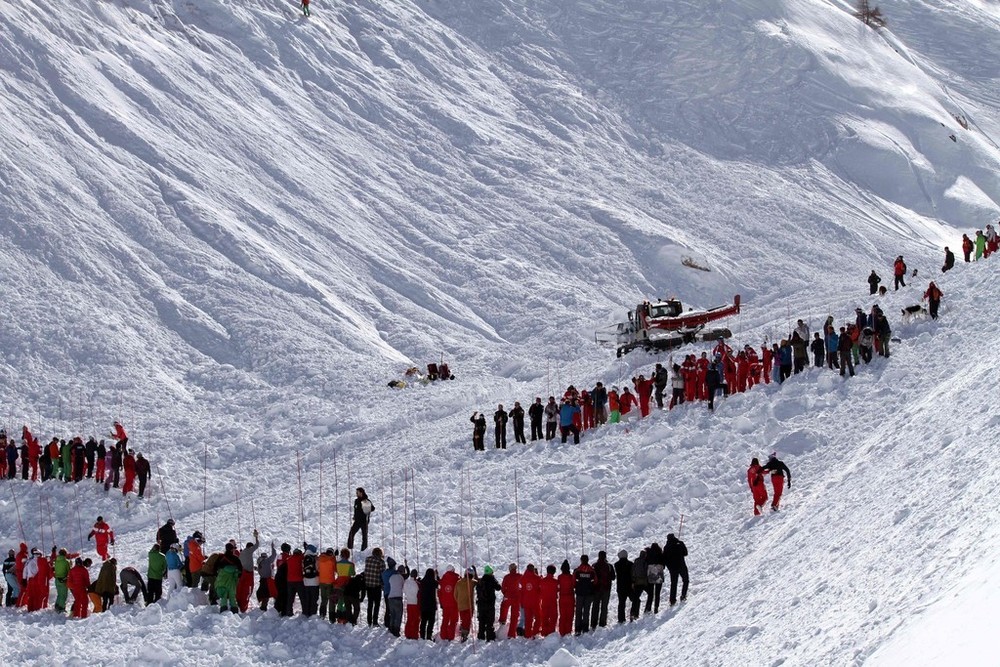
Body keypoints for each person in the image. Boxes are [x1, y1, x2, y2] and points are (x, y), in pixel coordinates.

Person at [215, 543, 243, 613]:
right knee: (232, 596)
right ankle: (234, 611)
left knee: (224, 596)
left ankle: (223, 610)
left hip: (222, 579)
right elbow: (240, 570)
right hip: (232, 580)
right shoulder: (236, 558)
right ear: (232, 549)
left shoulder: (221, 557)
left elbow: (216, 568)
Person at [591, 550, 615, 628]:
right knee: (604, 607)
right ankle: (602, 623)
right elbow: (613, 577)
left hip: (596, 589)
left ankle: (593, 623)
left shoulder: (594, 565)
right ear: (605, 556)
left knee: (595, 606)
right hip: (606, 589)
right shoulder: (609, 566)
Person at [237, 530, 260, 612]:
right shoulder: (249, 551)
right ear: (250, 547)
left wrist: (254, 567)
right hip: (248, 574)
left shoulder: (242, 553)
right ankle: (244, 606)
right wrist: (256, 537)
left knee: (240, 589)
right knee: (248, 590)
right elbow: (257, 545)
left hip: (242, 573)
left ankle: (239, 603)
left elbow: (244, 563)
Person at [663, 534, 689, 605]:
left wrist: (669, 567)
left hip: (672, 569)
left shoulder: (666, 547)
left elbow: (664, 559)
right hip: (681, 566)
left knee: (674, 584)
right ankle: (683, 595)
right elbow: (685, 553)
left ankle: (672, 600)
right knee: (685, 580)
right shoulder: (680, 543)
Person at [573, 555, 596, 635]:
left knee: (578, 611)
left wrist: (577, 587)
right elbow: (595, 581)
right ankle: (585, 628)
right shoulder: (592, 570)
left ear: (581, 560)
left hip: (579, 594)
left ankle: (577, 629)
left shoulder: (577, 570)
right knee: (586, 611)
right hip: (589, 593)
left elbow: (573, 582)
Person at [363, 548, 385, 626]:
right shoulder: (381, 562)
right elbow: (383, 575)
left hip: (368, 585)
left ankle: (369, 621)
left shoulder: (367, 559)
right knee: (377, 604)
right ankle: (375, 621)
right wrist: (383, 585)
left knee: (370, 603)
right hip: (376, 585)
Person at [498, 563, 521, 638]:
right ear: (516, 568)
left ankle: (502, 621)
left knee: (504, 608)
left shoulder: (506, 577)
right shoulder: (519, 576)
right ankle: (511, 634)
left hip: (508, 596)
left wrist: (505, 594)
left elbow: (503, 588)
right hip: (516, 598)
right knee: (514, 616)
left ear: (510, 569)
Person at [438, 565, 460, 640]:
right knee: (453, 620)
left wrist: (441, 603)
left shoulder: (442, 579)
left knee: (445, 620)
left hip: (445, 604)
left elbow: (439, 592)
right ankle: (451, 636)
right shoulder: (457, 578)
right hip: (454, 603)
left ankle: (443, 636)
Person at [454, 567, 476, 641]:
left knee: (463, 619)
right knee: (468, 620)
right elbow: (478, 581)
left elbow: (455, 595)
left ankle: (463, 629)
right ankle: (464, 634)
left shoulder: (458, 582)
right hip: (469, 606)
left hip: (460, 606)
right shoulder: (472, 583)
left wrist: (459, 601)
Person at [256, 542, 277, 611]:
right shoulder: (268, 561)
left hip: (262, 580)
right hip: (268, 580)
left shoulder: (259, 563)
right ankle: (277, 605)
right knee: (273, 592)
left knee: (265, 594)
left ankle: (263, 606)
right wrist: (272, 547)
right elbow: (274, 555)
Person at [417, 568, 438, 640]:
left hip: (424, 605)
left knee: (423, 621)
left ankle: (422, 635)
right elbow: (439, 584)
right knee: (431, 622)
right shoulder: (434, 582)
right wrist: (437, 576)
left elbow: (419, 582)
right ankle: (429, 635)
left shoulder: (422, 581)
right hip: (431, 605)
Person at [386, 564, 406, 637]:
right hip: (398, 597)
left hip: (390, 597)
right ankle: (396, 630)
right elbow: (403, 587)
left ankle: (391, 628)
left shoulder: (392, 577)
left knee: (392, 614)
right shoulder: (401, 578)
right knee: (398, 615)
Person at [613, 550, 633, 623]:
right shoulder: (631, 564)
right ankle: (633, 614)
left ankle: (621, 619)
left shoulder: (616, 564)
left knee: (621, 603)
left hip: (620, 587)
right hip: (629, 586)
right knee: (634, 600)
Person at [557, 560, 575, 636]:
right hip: (570, 597)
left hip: (562, 598)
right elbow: (574, 585)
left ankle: (562, 631)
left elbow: (557, 587)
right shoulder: (571, 577)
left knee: (562, 615)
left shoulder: (560, 577)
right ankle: (568, 631)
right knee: (570, 615)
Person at [539, 564, 558, 636]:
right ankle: (551, 632)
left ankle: (544, 632)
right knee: (553, 618)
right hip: (553, 602)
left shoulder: (542, 581)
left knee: (544, 618)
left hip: (544, 602)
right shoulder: (556, 582)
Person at [645, 543, 664, 614]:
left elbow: (646, 563)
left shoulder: (648, 554)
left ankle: (648, 608)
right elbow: (663, 565)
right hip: (659, 574)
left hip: (650, 575)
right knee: (657, 593)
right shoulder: (660, 554)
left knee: (650, 593)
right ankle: (656, 607)